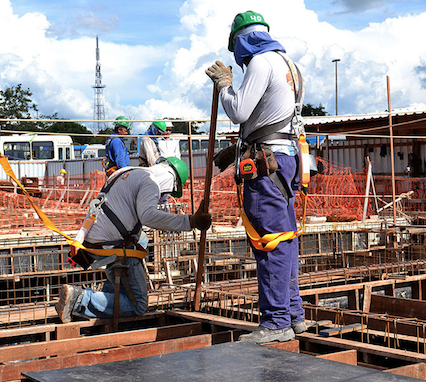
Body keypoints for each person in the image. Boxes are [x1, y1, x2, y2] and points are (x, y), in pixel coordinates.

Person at [206, 10, 306, 344]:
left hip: (268, 164)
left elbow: (239, 111)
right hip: (287, 158)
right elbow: (271, 118)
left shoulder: (262, 62)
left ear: (241, 41)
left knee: (269, 241)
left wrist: (225, 85)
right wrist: (237, 149)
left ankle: (276, 321)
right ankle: (293, 315)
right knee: (285, 238)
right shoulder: (290, 65)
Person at [55, 157, 211, 322]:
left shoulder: (127, 171)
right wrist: (190, 221)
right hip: (112, 245)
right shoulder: (150, 182)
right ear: (172, 181)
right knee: (138, 305)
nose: (164, 196)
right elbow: (148, 216)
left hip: (95, 239)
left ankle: (109, 293)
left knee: (141, 239)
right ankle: (79, 298)